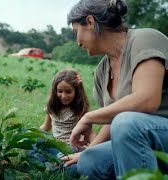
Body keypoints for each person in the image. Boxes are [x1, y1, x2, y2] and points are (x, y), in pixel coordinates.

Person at [61, 0, 168, 179]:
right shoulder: (102, 71)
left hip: (159, 134)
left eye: (76, 32)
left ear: (90, 22)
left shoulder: (145, 39)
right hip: (140, 140)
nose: (77, 42)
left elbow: (147, 99)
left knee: (127, 123)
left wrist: (89, 117)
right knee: (89, 161)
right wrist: (88, 151)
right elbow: (114, 122)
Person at [29, 69, 94, 170]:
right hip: (56, 145)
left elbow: (89, 133)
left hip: (72, 147)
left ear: (76, 91)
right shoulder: (52, 106)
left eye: (68, 92)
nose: (64, 96)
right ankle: (47, 165)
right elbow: (46, 127)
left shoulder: (80, 109)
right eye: (60, 91)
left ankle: (56, 166)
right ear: (55, 91)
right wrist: (30, 134)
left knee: (69, 165)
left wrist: (93, 150)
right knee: (30, 141)